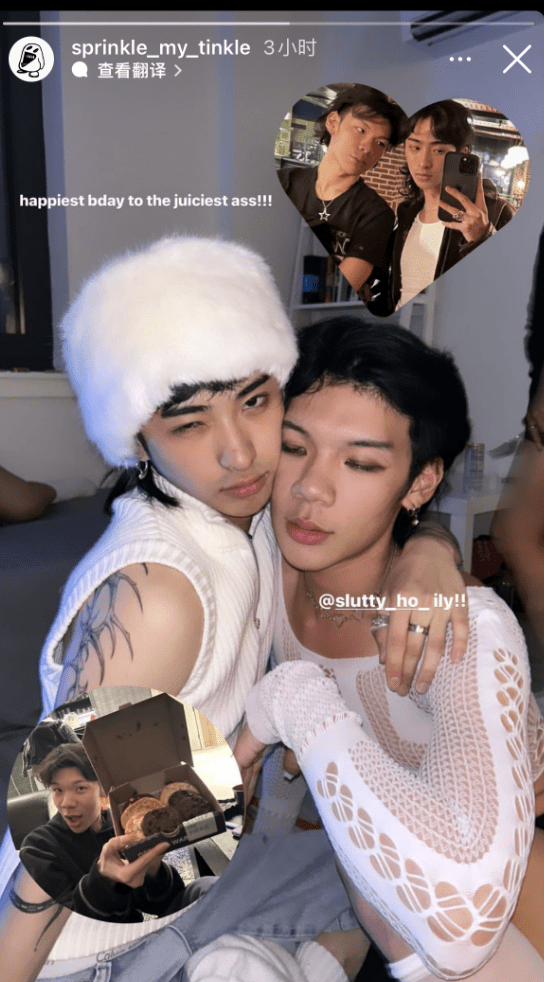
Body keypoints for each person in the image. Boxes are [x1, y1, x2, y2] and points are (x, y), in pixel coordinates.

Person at [0, 238, 466, 981]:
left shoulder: (239, 521)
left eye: (254, 401)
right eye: (190, 423)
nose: (240, 455)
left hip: (190, 863)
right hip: (104, 946)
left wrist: (429, 550)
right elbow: (55, 843)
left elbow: (381, 521)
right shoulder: (161, 597)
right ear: (138, 441)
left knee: (383, 853)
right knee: (415, 887)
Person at [235, 317, 544, 981]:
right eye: (294, 447)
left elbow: (462, 922)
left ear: (420, 483)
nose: (311, 489)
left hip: (505, 853)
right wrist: (432, 540)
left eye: (360, 463)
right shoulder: (262, 553)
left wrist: (294, 703)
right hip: (381, 862)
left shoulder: (460, 627)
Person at [19, 743, 204, 922]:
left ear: (102, 789)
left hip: (145, 930)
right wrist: (104, 879)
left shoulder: (122, 829)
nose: (66, 803)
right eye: (57, 790)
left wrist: (153, 869)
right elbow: (63, 926)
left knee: (205, 886)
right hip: (102, 942)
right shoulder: (38, 847)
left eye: (80, 788)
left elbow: (161, 904)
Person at [369, 100, 515, 314]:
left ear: (462, 153)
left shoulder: (496, 213)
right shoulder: (407, 213)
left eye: (438, 150)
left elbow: (511, 292)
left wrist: (482, 237)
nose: (423, 162)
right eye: (415, 147)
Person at [278, 84, 406, 293]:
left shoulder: (377, 214)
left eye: (380, 143)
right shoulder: (286, 182)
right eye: (361, 130)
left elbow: (342, 286)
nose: (367, 148)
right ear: (333, 122)